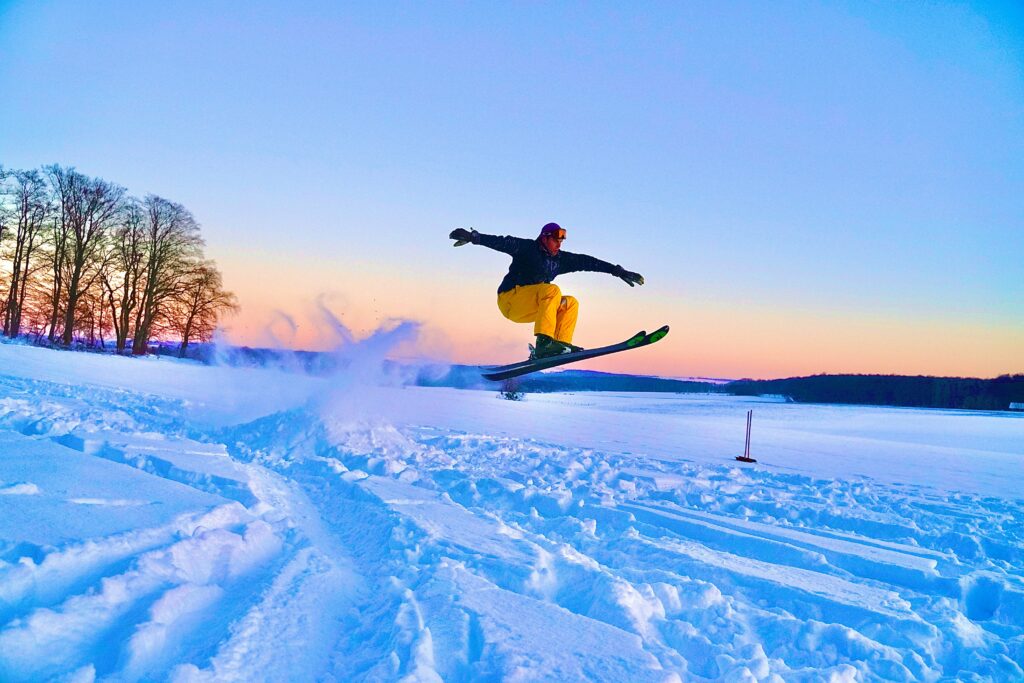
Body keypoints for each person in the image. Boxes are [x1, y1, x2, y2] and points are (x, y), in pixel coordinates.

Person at [448, 222, 644, 358]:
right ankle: (544, 344)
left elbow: (587, 261)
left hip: (530, 307)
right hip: (510, 300)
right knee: (551, 290)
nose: (559, 244)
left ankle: (560, 346)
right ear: (545, 238)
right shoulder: (527, 248)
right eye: (556, 240)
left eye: (562, 241)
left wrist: (618, 271)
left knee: (570, 303)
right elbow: (502, 241)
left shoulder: (560, 260)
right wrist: (474, 237)